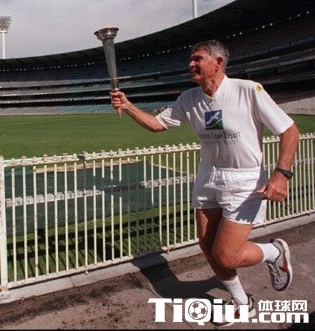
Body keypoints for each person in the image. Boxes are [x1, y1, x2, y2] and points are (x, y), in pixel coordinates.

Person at [111, 40, 299, 325]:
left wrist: (281, 174)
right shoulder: (189, 98)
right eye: (190, 59)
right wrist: (127, 106)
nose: (191, 64)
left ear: (218, 62)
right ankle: (242, 302)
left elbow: (289, 130)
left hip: (244, 181)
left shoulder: (248, 90)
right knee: (208, 245)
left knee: (226, 256)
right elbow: (157, 125)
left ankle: (274, 252)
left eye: (197, 58)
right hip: (208, 176)